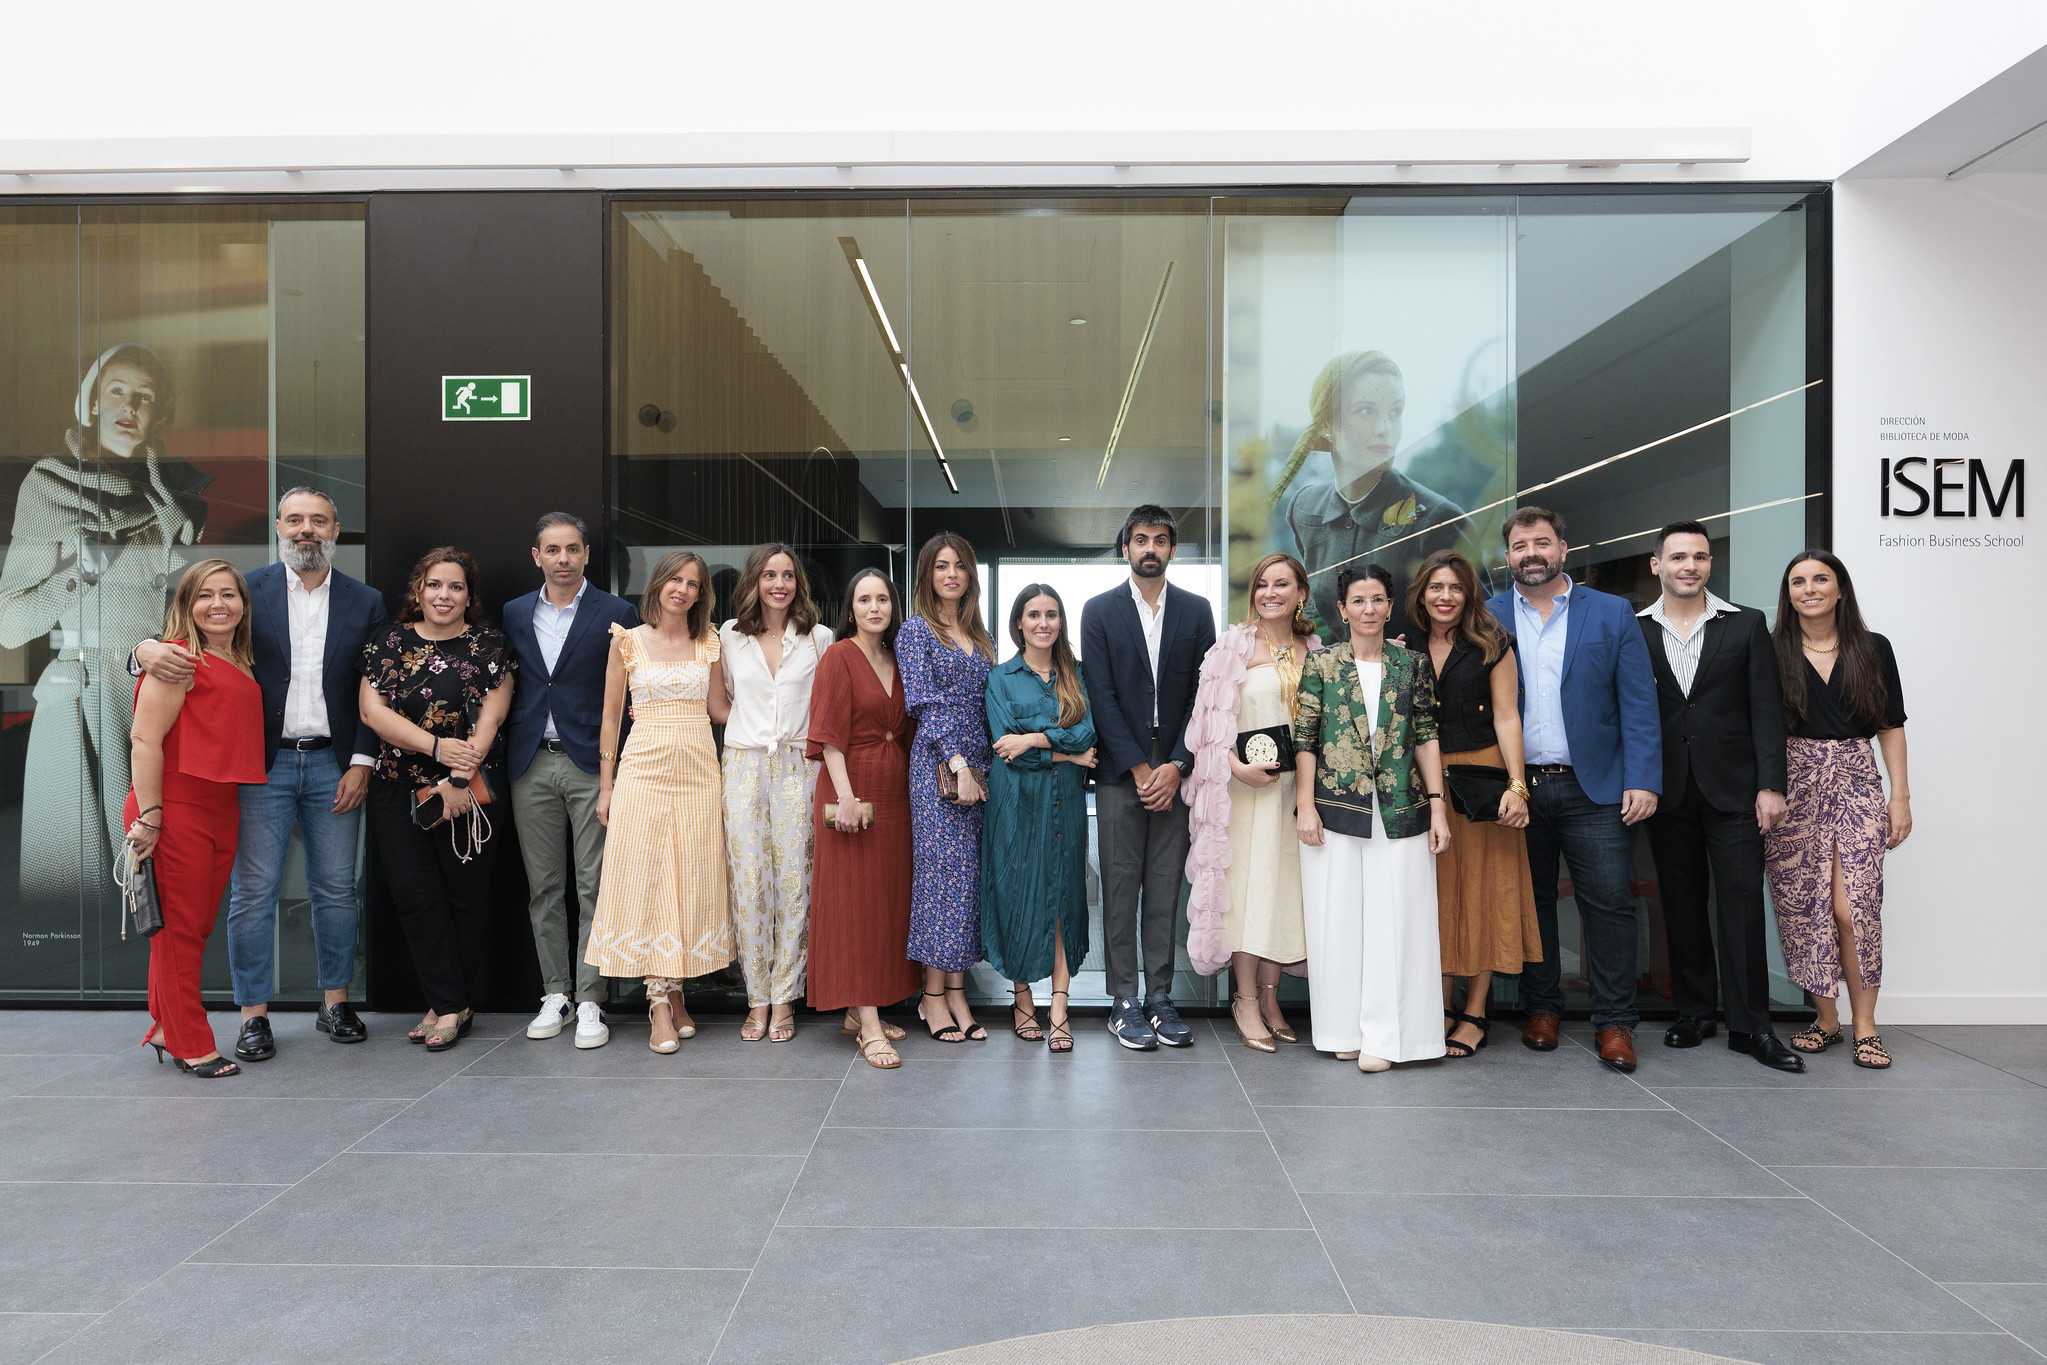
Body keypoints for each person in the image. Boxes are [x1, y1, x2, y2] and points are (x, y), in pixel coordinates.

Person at [132, 488, 387, 1063]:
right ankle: (253, 1015)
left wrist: (362, 761)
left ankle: (336, 1002)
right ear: (277, 527)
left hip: (335, 763)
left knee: (336, 889)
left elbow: (377, 687)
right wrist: (141, 650)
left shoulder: (366, 600)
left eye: (318, 521)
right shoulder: (244, 591)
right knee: (253, 892)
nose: (306, 530)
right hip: (259, 768)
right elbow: (187, 640)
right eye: (295, 520)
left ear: (336, 530)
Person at [0, 345, 209, 909]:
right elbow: (9, 622)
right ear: (92, 402)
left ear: (159, 412)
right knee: (83, 892)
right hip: (88, 699)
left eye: (144, 396)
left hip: (167, 696)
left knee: (167, 889)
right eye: (117, 391)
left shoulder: (177, 494)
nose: (129, 406)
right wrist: (78, 573)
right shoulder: (50, 485)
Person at [1485, 508, 1661, 1074]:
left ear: (1563, 548)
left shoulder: (1611, 612)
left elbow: (1638, 702)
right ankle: (1542, 1009)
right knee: (1531, 903)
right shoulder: (1487, 616)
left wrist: (1643, 778)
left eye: (1542, 543)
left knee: (1608, 904)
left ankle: (1615, 1022)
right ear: (1507, 557)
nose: (1531, 554)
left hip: (1596, 788)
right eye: (1520, 546)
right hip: (1517, 788)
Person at [1637, 523, 1802, 1073]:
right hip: (1666, 790)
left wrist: (1771, 785)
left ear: (1711, 563)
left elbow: (1766, 710)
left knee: (1742, 905)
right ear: (1657, 565)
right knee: (1682, 904)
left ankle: (1752, 1027)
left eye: (1701, 556)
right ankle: (1694, 1012)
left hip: (1735, 791)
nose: (1690, 566)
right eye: (1678, 556)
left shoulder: (1746, 624)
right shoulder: (1633, 629)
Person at [1293, 565, 1451, 1072]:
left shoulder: (1412, 664)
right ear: (1342, 609)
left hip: (1401, 808)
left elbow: (1426, 735)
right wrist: (1305, 806)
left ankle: (1389, 1038)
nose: (1368, 609)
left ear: (1390, 607)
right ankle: (1344, 1029)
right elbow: (1305, 738)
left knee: (1397, 920)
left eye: (1377, 599)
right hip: (1336, 808)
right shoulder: (1322, 664)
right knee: (1337, 920)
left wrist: (1438, 807)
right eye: (1358, 601)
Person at [359, 548, 514, 1053]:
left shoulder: (490, 644)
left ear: (469, 596)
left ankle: (448, 1005)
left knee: (464, 897)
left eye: (455, 587)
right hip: (396, 788)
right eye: (434, 585)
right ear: (418, 591)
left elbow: (492, 716)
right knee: (415, 896)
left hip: (468, 790)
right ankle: (449, 1002)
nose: (443, 595)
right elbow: (372, 712)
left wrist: (457, 777)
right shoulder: (388, 642)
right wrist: (435, 748)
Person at [584, 551, 735, 1054]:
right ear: (658, 584)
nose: (682, 589)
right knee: (648, 879)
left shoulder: (708, 642)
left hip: (698, 774)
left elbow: (719, 709)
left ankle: (675, 990)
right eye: (675, 579)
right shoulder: (626, 641)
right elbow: (611, 717)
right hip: (643, 772)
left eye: (692, 583)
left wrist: (778, 714)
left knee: (687, 879)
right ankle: (658, 1001)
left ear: (700, 594)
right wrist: (606, 786)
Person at [1766, 551, 1910, 1071]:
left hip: (1856, 778)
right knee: (1805, 907)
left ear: (1840, 588)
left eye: (1820, 579)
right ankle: (1826, 1019)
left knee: (1855, 909)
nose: (1809, 589)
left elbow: (1890, 725)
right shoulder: (1771, 650)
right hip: (1792, 784)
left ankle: (1865, 1025)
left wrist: (1900, 796)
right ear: (1788, 594)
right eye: (1798, 582)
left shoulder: (1873, 648)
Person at [1080, 505, 1217, 1050]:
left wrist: (1177, 764)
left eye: (1160, 540)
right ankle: (1123, 1000)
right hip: (1122, 767)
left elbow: (1205, 697)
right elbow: (1100, 694)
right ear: (1125, 548)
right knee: (1120, 884)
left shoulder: (1196, 611)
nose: (1150, 548)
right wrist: (1140, 766)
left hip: (1177, 764)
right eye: (1141, 539)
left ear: (1172, 550)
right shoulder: (1098, 611)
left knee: (1164, 884)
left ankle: (1160, 997)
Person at [503, 512, 638, 1051]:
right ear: (537, 556)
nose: (564, 559)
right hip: (530, 761)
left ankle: (590, 999)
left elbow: (625, 695)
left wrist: (617, 767)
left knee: (594, 884)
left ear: (585, 554)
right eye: (553, 550)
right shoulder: (515, 612)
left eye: (573, 549)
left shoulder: (617, 612)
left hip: (590, 763)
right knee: (543, 887)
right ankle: (555, 992)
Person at [126, 560, 265, 1078]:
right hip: (173, 808)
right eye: (205, 595)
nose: (218, 604)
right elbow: (144, 740)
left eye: (228, 594)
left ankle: (166, 1025)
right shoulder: (177, 660)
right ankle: (192, 1043)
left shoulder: (238, 659)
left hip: (220, 807)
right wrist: (151, 815)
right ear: (186, 604)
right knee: (180, 932)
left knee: (190, 928)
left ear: (243, 605)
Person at [1182, 552, 1317, 1051]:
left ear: (1301, 593)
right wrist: (1236, 768)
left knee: (1283, 892)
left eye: (1281, 584)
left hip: (1296, 795)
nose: (1270, 593)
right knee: (1246, 894)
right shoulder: (1232, 648)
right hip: (1242, 793)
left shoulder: (1316, 649)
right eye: (1262, 584)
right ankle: (1244, 999)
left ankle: (1270, 998)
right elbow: (1206, 728)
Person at [1409, 549, 1538, 1059]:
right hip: (1421, 781)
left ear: (1469, 594)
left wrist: (1517, 786)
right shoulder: (1403, 644)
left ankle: (1475, 1012)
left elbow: (1507, 717)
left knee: (1486, 894)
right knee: (1435, 896)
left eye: (1456, 588)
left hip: (1482, 780)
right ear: (1422, 593)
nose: (1446, 597)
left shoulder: (1492, 643)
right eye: (1436, 587)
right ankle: (1440, 1007)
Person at [1271, 351, 1468, 642]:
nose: (1385, 429)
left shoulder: (1437, 517)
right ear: (1327, 424)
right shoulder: (1305, 509)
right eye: (1366, 411)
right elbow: (1315, 610)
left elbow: (1473, 629)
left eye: (1395, 412)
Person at [720, 543, 834, 1043]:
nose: (779, 584)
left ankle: (785, 996)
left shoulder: (819, 638)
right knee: (748, 884)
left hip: (798, 765)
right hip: (743, 765)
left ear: (798, 583)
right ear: (754, 581)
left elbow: (827, 705)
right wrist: (753, 727)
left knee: (794, 883)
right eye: (769, 575)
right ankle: (757, 998)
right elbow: (722, 701)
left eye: (788, 575)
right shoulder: (729, 635)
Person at [807, 569, 920, 1069]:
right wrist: (847, 796)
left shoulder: (899, 658)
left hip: (896, 795)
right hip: (852, 790)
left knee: (884, 906)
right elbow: (829, 736)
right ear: (850, 609)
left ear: (893, 606)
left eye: (883, 599)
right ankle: (869, 1026)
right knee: (854, 904)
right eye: (864, 600)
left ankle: (860, 1011)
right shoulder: (839, 656)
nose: (875, 608)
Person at [981, 585, 1097, 1055]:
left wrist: (1033, 739)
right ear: (1019, 623)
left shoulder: (1077, 674)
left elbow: (1088, 732)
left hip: (1065, 803)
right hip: (1015, 802)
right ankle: (1023, 998)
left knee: (1064, 898)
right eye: (1034, 615)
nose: (1043, 623)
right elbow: (1005, 749)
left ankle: (1060, 1008)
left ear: (1060, 622)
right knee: (1017, 895)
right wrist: (1066, 755)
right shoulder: (1000, 678)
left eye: (1051, 614)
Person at [897, 533, 995, 1044]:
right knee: (941, 879)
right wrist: (957, 764)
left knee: (969, 881)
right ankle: (932, 996)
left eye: (959, 565)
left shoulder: (981, 634)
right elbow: (923, 703)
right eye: (941, 566)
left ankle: (957, 992)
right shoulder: (916, 630)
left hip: (982, 765)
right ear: (927, 575)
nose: (951, 574)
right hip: (940, 763)